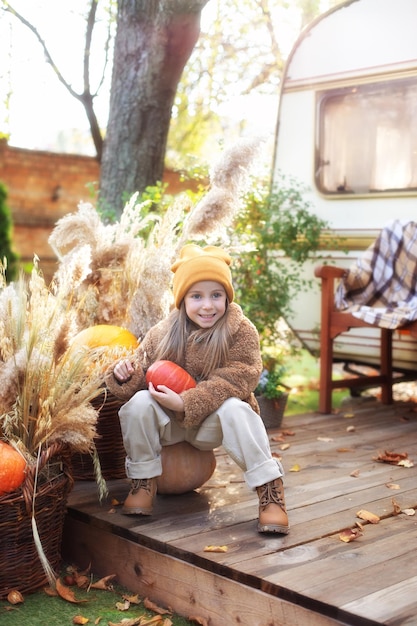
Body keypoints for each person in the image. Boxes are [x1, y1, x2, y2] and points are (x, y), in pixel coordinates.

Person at [105, 244, 289, 534]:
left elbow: (240, 377)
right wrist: (126, 374)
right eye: (197, 296)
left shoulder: (240, 331)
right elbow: (144, 371)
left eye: (216, 295)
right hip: (172, 426)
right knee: (138, 403)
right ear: (183, 300)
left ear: (227, 297)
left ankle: (269, 492)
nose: (207, 305)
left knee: (236, 408)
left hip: (212, 427)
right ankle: (143, 482)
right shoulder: (162, 332)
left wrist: (186, 402)